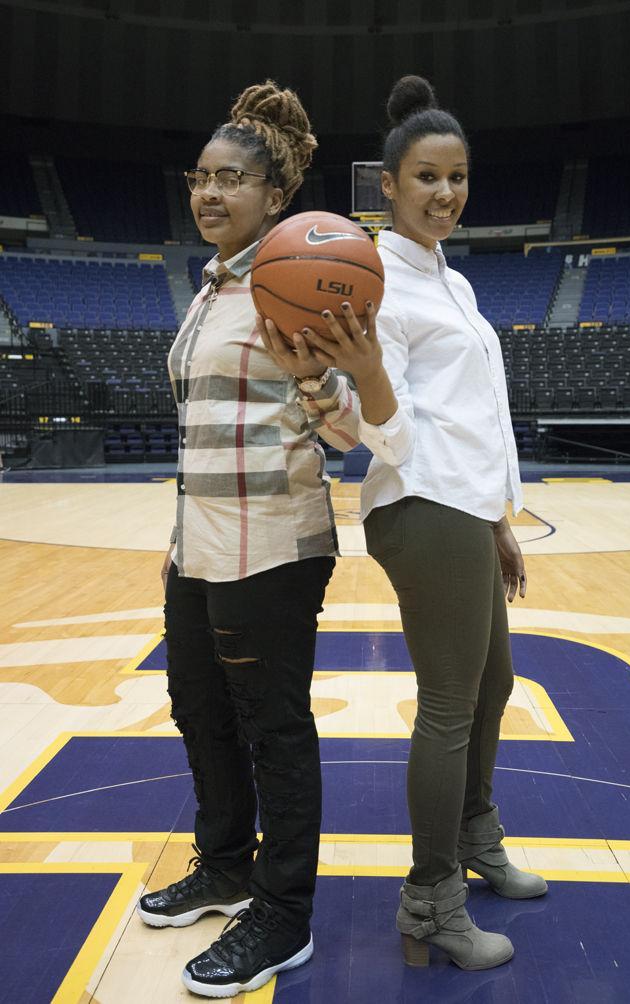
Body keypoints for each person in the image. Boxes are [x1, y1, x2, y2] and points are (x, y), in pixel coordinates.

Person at [297, 75, 548, 973]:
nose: (445, 193)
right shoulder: (373, 285)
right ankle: (432, 901)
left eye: (458, 177)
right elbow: (388, 441)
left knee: (494, 685)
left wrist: (499, 519)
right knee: (449, 706)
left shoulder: (458, 284)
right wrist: (366, 375)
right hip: (418, 505)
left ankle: (477, 841)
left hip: (464, 510)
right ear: (390, 187)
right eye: (427, 178)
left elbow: (482, 415)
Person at [136, 81, 362, 999]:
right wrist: (178, 538)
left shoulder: (299, 277)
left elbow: (349, 428)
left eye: (231, 179)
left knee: (273, 727)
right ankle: (226, 863)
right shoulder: (209, 293)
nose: (209, 194)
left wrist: (317, 386)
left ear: (278, 197)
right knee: (199, 708)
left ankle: (283, 911)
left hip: (273, 544)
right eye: (200, 177)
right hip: (200, 545)